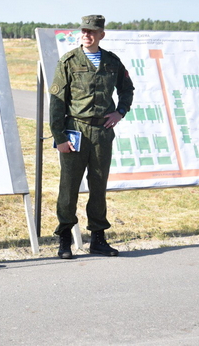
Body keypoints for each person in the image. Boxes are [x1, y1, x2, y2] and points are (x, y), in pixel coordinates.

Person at [49, 15, 134, 259]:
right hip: (75, 130)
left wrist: (120, 112)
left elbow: (127, 89)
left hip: (102, 133)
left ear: (101, 35)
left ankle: (98, 238)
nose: (87, 35)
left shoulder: (111, 61)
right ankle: (64, 238)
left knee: (98, 185)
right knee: (69, 186)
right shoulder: (69, 61)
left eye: (92, 32)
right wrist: (60, 136)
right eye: (84, 31)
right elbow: (56, 102)